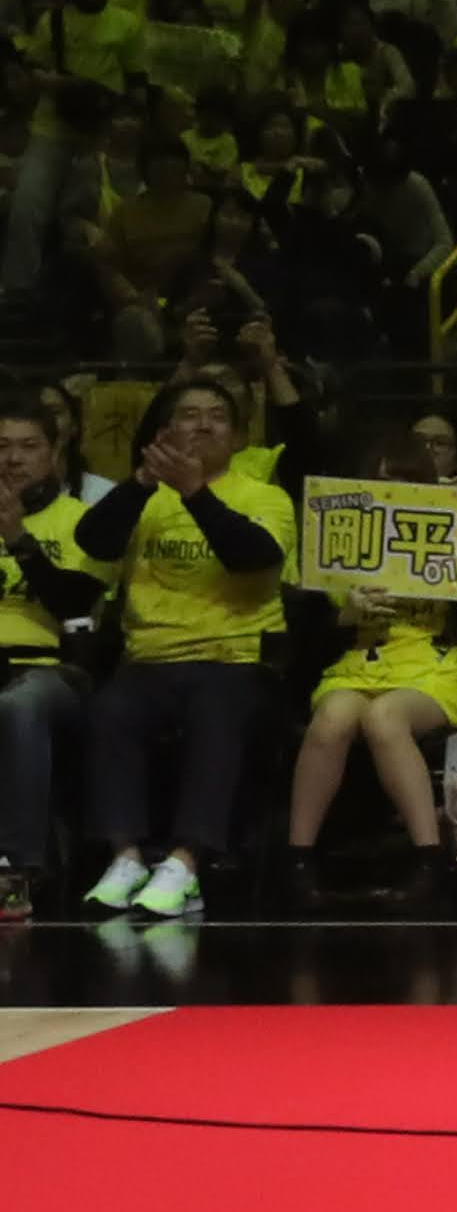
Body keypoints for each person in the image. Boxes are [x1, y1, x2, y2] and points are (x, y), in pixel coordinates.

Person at [74, 374, 296, 917]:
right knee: (109, 711)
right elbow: (93, 540)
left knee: (216, 711)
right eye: (188, 414)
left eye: (216, 414)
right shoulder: (143, 498)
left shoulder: (264, 495)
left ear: (239, 437)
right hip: (147, 657)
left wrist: (195, 493)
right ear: (163, 433)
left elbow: (255, 555)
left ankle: (185, 864)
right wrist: (141, 483)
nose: (202, 423)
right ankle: (126, 858)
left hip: (234, 657)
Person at [282, 419, 457, 891]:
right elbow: (305, 639)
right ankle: (299, 861)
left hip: (430, 666)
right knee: (332, 718)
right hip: (359, 659)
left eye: (404, 483)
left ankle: (428, 859)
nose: (392, 493)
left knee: (385, 717)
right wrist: (345, 615)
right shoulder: (337, 537)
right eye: (381, 482)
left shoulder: (452, 533)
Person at [0, 401, 105, 921]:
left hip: (51, 671)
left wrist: (19, 540)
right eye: (2, 447)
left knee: (20, 705)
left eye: (28, 447)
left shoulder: (80, 522)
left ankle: (14, 873)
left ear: (54, 451)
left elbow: (74, 604)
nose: (13, 459)